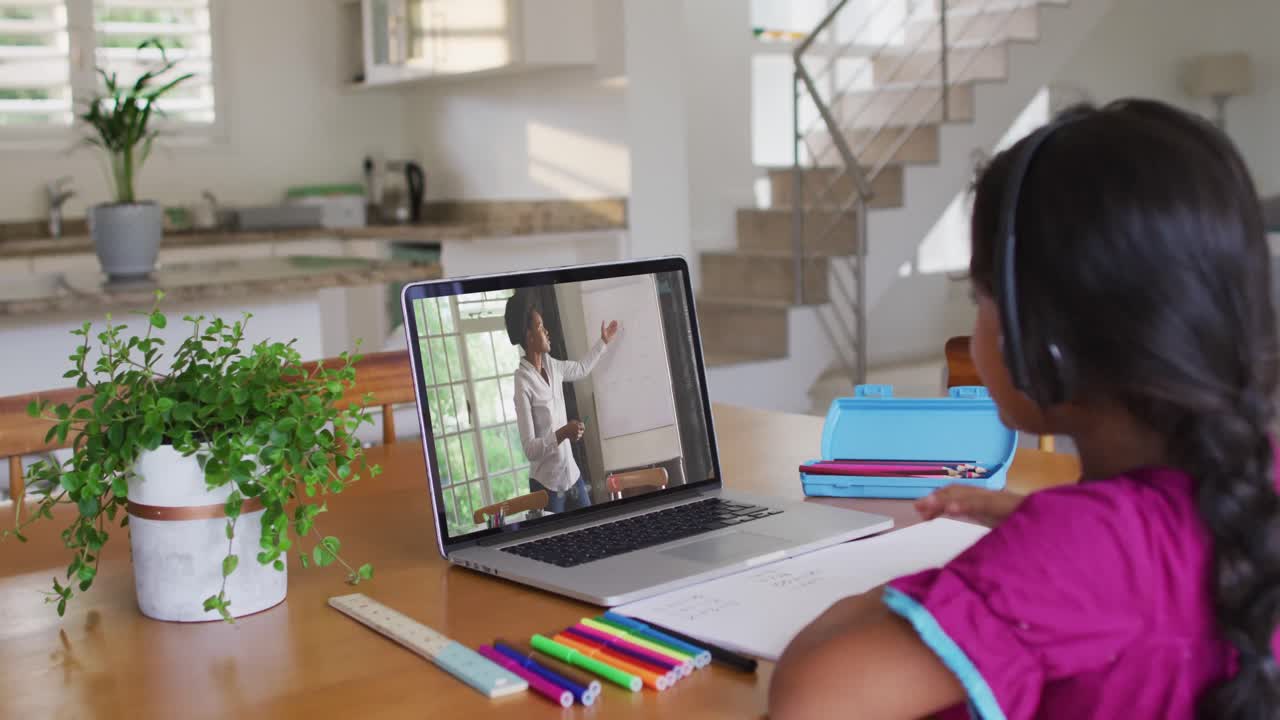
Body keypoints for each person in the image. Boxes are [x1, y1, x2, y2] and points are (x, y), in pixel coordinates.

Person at [769, 99, 1280, 719]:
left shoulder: (1084, 551)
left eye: (980, 295)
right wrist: (1041, 528)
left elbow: (811, 701)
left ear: (1043, 337)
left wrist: (969, 581)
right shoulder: (1249, 487)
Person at [506, 292, 619, 513]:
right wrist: (564, 433)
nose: (547, 331)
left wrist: (603, 342)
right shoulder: (522, 382)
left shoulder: (552, 366)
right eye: (540, 327)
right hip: (546, 487)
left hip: (571, 475)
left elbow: (581, 369)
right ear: (529, 336)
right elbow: (530, 449)